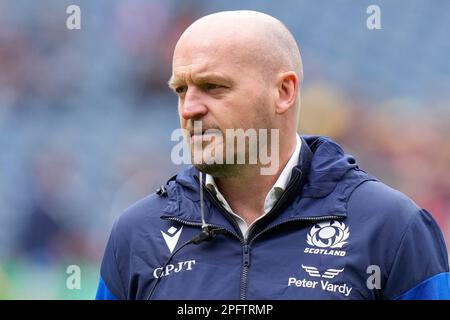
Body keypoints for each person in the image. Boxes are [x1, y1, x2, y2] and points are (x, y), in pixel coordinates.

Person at [96, 10, 450, 300]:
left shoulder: (392, 227)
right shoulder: (137, 234)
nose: (188, 109)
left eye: (213, 87)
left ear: (284, 91)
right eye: (180, 90)